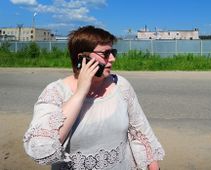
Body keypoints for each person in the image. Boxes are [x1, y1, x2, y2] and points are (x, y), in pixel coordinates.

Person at [23, 25, 165, 170]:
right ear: (82, 58)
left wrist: (154, 167)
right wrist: (80, 93)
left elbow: (141, 131)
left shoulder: (121, 85)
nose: (113, 59)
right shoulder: (56, 92)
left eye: (113, 52)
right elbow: (40, 149)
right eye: (106, 53)